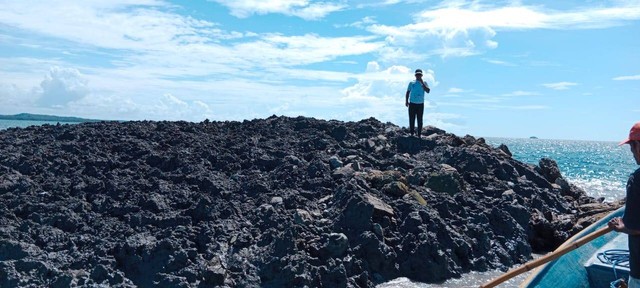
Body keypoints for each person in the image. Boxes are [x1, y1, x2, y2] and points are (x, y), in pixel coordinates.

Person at [609, 121, 640, 287]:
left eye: (632, 147)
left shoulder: (637, 180)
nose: (632, 153)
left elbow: (635, 227)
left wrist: (620, 226)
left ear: (638, 146)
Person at [405, 69, 430, 137]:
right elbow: (408, 92)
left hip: (420, 104)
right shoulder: (411, 83)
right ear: (415, 75)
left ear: (421, 75)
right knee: (412, 119)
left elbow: (428, 91)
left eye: (419, 75)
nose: (418, 76)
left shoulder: (424, 83)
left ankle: (419, 134)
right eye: (417, 74)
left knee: (420, 119)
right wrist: (406, 101)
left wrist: (422, 83)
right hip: (412, 103)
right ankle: (412, 133)